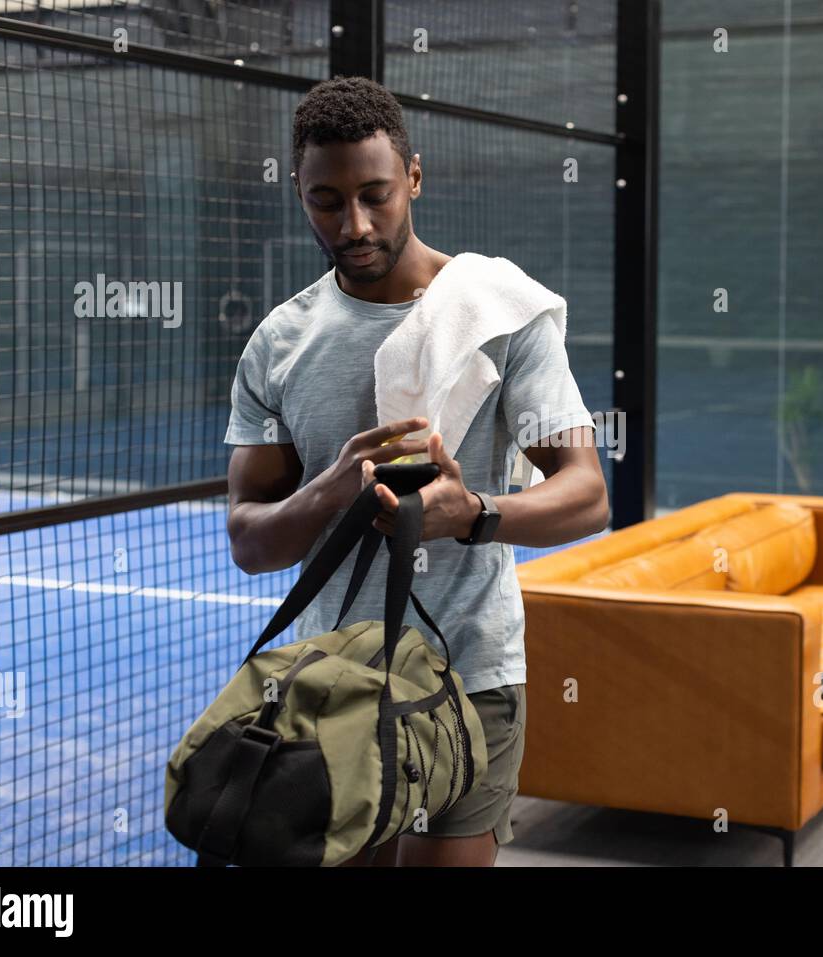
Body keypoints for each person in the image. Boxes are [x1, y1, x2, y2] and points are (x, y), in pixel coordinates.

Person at [223, 75, 609, 866]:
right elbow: (251, 541)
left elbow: (586, 495)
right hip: (337, 682)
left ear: (415, 179)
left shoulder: (500, 312)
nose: (354, 224)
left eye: (376, 194)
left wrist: (475, 514)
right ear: (299, 192)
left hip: (471, 673)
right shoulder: (278, 342)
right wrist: (333, 485)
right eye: (326, 201)